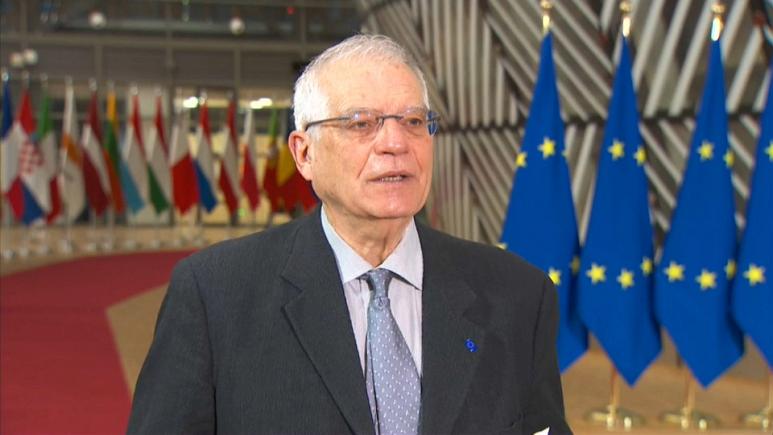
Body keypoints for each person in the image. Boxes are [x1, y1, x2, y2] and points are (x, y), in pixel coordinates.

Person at [127, 34, 571, 435]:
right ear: (304, 154)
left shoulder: (518, 295)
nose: (395, 143)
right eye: (361, 123)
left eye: (414, 121)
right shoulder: (215, 295)